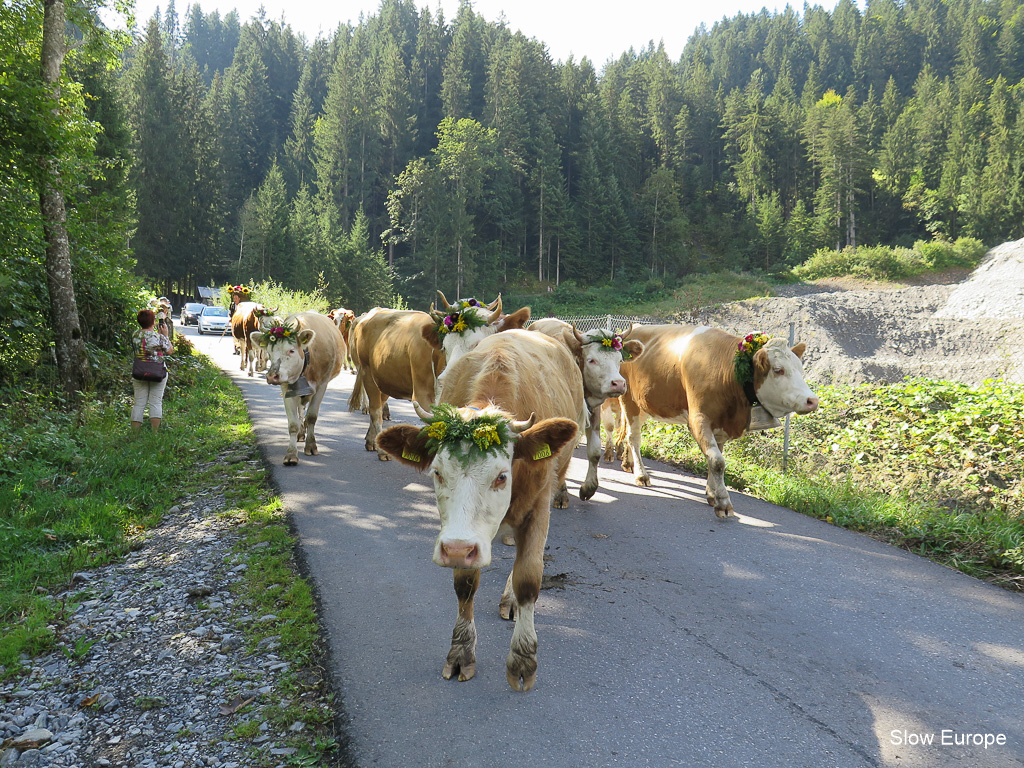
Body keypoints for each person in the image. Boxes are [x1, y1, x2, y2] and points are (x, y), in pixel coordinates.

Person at [131, 308, 173, 434]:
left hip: (139, 371)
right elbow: (169, 350)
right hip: (157, 372)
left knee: (139, 403)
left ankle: (134, 434)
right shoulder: (158, 337)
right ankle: (154, 433)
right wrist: (165, 336)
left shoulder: (135, 335)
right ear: (153, 322)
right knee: (155, 402)